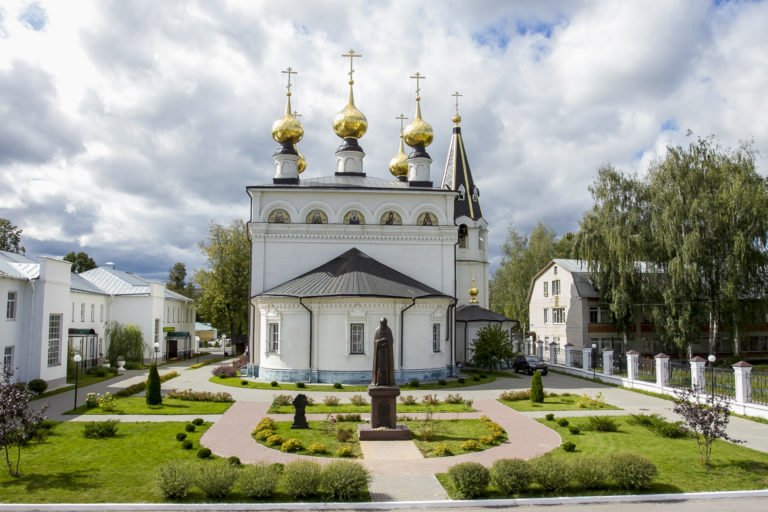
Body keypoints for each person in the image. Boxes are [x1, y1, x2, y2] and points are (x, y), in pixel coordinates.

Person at [371, 318, 395, 386]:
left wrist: (387, 343)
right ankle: (379, 381)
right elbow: (375, 341)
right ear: (380, 323)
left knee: (386, 367)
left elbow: (391, 341)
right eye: (382, 324)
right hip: (380, 353)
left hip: (387, 353)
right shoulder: (377, 330)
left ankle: (387, 382)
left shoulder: (388, 330)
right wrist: (381, 340)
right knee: (380, 367)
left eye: (384, 324)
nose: (383, 326)